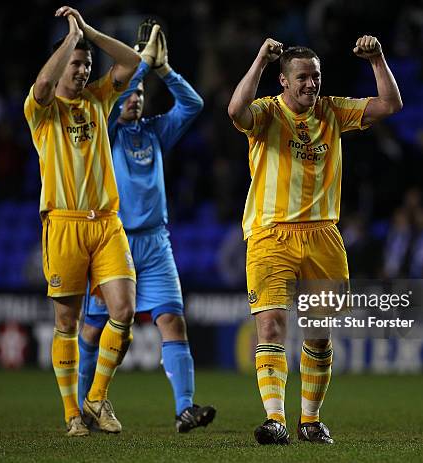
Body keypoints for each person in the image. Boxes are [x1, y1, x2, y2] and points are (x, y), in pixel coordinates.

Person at [227, 36, 402, 444]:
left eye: (316, 77)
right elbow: (235, 109)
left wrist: (377, 59)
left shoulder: (332, 111)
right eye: (302, 77)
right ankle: (275, 420)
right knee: (270, 325)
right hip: (271, 234)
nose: (311, 84)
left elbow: (390, 104)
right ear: (284, 82)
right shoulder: (267, 113)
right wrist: (258, 61)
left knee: (318, 334)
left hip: (323, 235)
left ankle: (309, 421)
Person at [78, 23, 216, 433]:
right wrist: (140, 65)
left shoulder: (154, 132)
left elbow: (193, 106)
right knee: (93, 328)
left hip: (156, 243)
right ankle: (83, 406)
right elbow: (116, 91)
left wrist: (165, 70)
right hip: (113, 241)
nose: (135, 98)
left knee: (173, 320)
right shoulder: (107, 130)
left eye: (140, 95)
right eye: (129, 93)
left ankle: (184, 409)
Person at [24, 6, 155, 436]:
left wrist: (88, 32)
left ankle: (96, 398)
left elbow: (133, 63)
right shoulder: (41, 111)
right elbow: (44, 83)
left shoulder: (100, 97)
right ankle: (71, 415)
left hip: (107, 223)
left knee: (125, 309)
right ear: (62, 62)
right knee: (66, 323)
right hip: (64, 224)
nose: (83, 70)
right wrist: (69, 39)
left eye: (86, 65)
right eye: (76, 64)